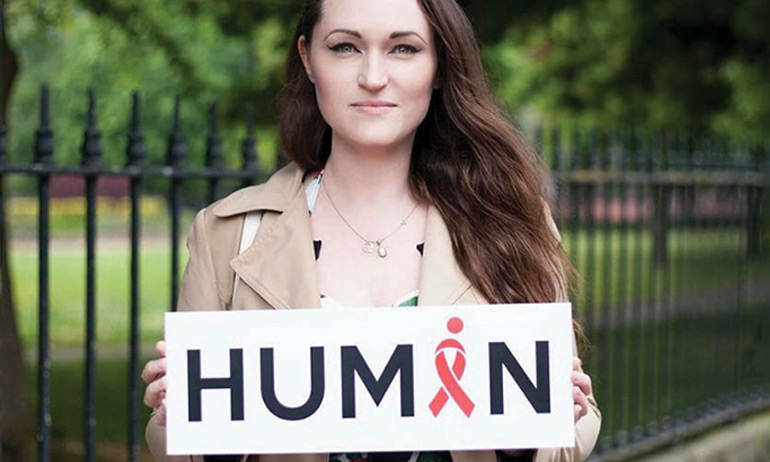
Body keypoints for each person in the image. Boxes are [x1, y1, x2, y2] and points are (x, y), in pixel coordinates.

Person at [141, 0, 601, 460]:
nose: (373, 76)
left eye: (403, 49)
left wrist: (540, 431)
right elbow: (175, 448)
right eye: (345, 47)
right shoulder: (228, 232)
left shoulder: (510, 222)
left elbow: (569, 439)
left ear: (439, 65)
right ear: (308, 58)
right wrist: (179, 418)